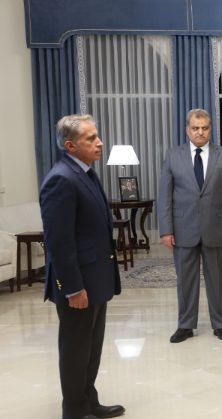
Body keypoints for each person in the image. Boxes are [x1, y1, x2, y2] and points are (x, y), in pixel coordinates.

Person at [40, 114, 125, 419]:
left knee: (91, 347)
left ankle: (89, 401)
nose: (99, 142)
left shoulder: (86, 173)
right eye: (91, 138)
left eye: (97, 136)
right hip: (79, 284)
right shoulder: (61, 179)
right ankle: (75, 410)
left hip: (95, 278)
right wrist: (73, 288)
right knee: (76, 349)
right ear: (70, 146)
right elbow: (59, 242)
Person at [158, 109, 222, 343]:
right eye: (195, 128)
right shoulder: (173, 156)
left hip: (216, 228)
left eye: (204, 128)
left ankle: (220, 324)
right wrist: (166, 230)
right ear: (188, 130)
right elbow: (164, 196)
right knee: (185, 280)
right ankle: (185, 325)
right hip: (182, 229)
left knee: (217, 279)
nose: (200, 132)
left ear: (210, 130)